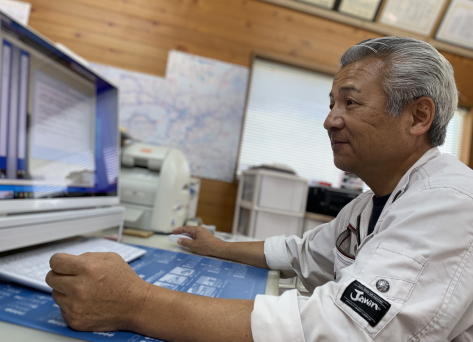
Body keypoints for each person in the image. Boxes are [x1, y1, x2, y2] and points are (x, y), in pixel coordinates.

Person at [45, 37, 473, 341]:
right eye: (330, 104)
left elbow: (345, 329)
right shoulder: (368, 205)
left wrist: (136, 305)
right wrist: (219, 247)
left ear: (418, 117)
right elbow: (302, 252)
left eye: (351, 102)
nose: (330, 120)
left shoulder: (449, 204)